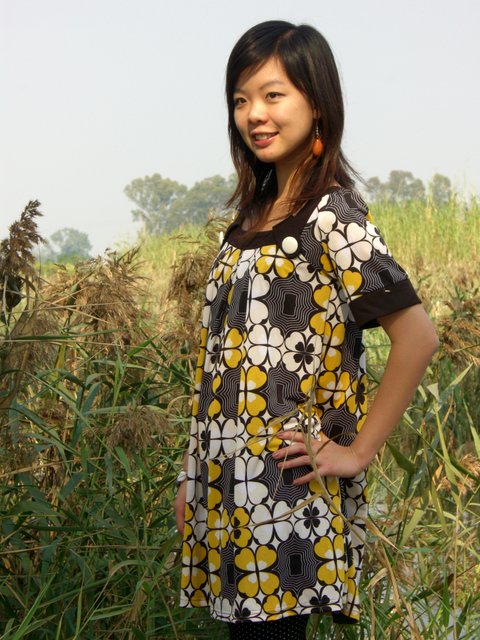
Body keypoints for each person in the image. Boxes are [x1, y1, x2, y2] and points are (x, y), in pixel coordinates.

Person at [175, 20, 438, 640]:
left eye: (273, 95)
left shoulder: (332, 215)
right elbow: (219, 364)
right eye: (240, 100)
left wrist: (357, 452)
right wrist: (193, 471)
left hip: (286, 491)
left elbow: (418, 336)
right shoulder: (246, 222)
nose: (254, 114)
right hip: (228, 491)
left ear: (316, 103)